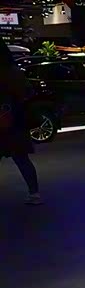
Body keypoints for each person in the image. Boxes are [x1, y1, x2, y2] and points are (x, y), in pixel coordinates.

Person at [0, 39, 42, 204]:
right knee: (21, 158)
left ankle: (34, 193)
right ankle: (34, 193)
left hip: (6, 119)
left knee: (19, 157)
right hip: (16, 120)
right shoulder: (15, 72)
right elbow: (28, 93)